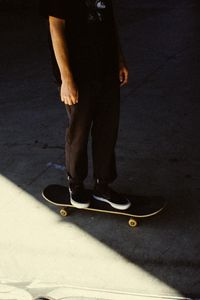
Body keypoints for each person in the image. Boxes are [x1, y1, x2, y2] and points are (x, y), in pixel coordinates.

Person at [39, 0, 131, 210]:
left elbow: (109, 23)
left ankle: (102, 185)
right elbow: (56, 27)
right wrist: (66, 78)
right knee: (79, 131)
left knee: (107, 129)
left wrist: (119, 58)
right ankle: (76, 184)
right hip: (79, 74)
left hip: (106, 69)